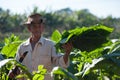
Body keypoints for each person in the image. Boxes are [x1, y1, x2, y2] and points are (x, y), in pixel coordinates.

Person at [9, 13, 73, 80]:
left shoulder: (50, 45)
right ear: (29, 28)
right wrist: (13, 72)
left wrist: (67, 53)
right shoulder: (22, 48)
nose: (37, 29)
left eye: (39, 26)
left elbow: (61, 63)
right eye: (34, 26)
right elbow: (17, 67)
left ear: (43, 28)